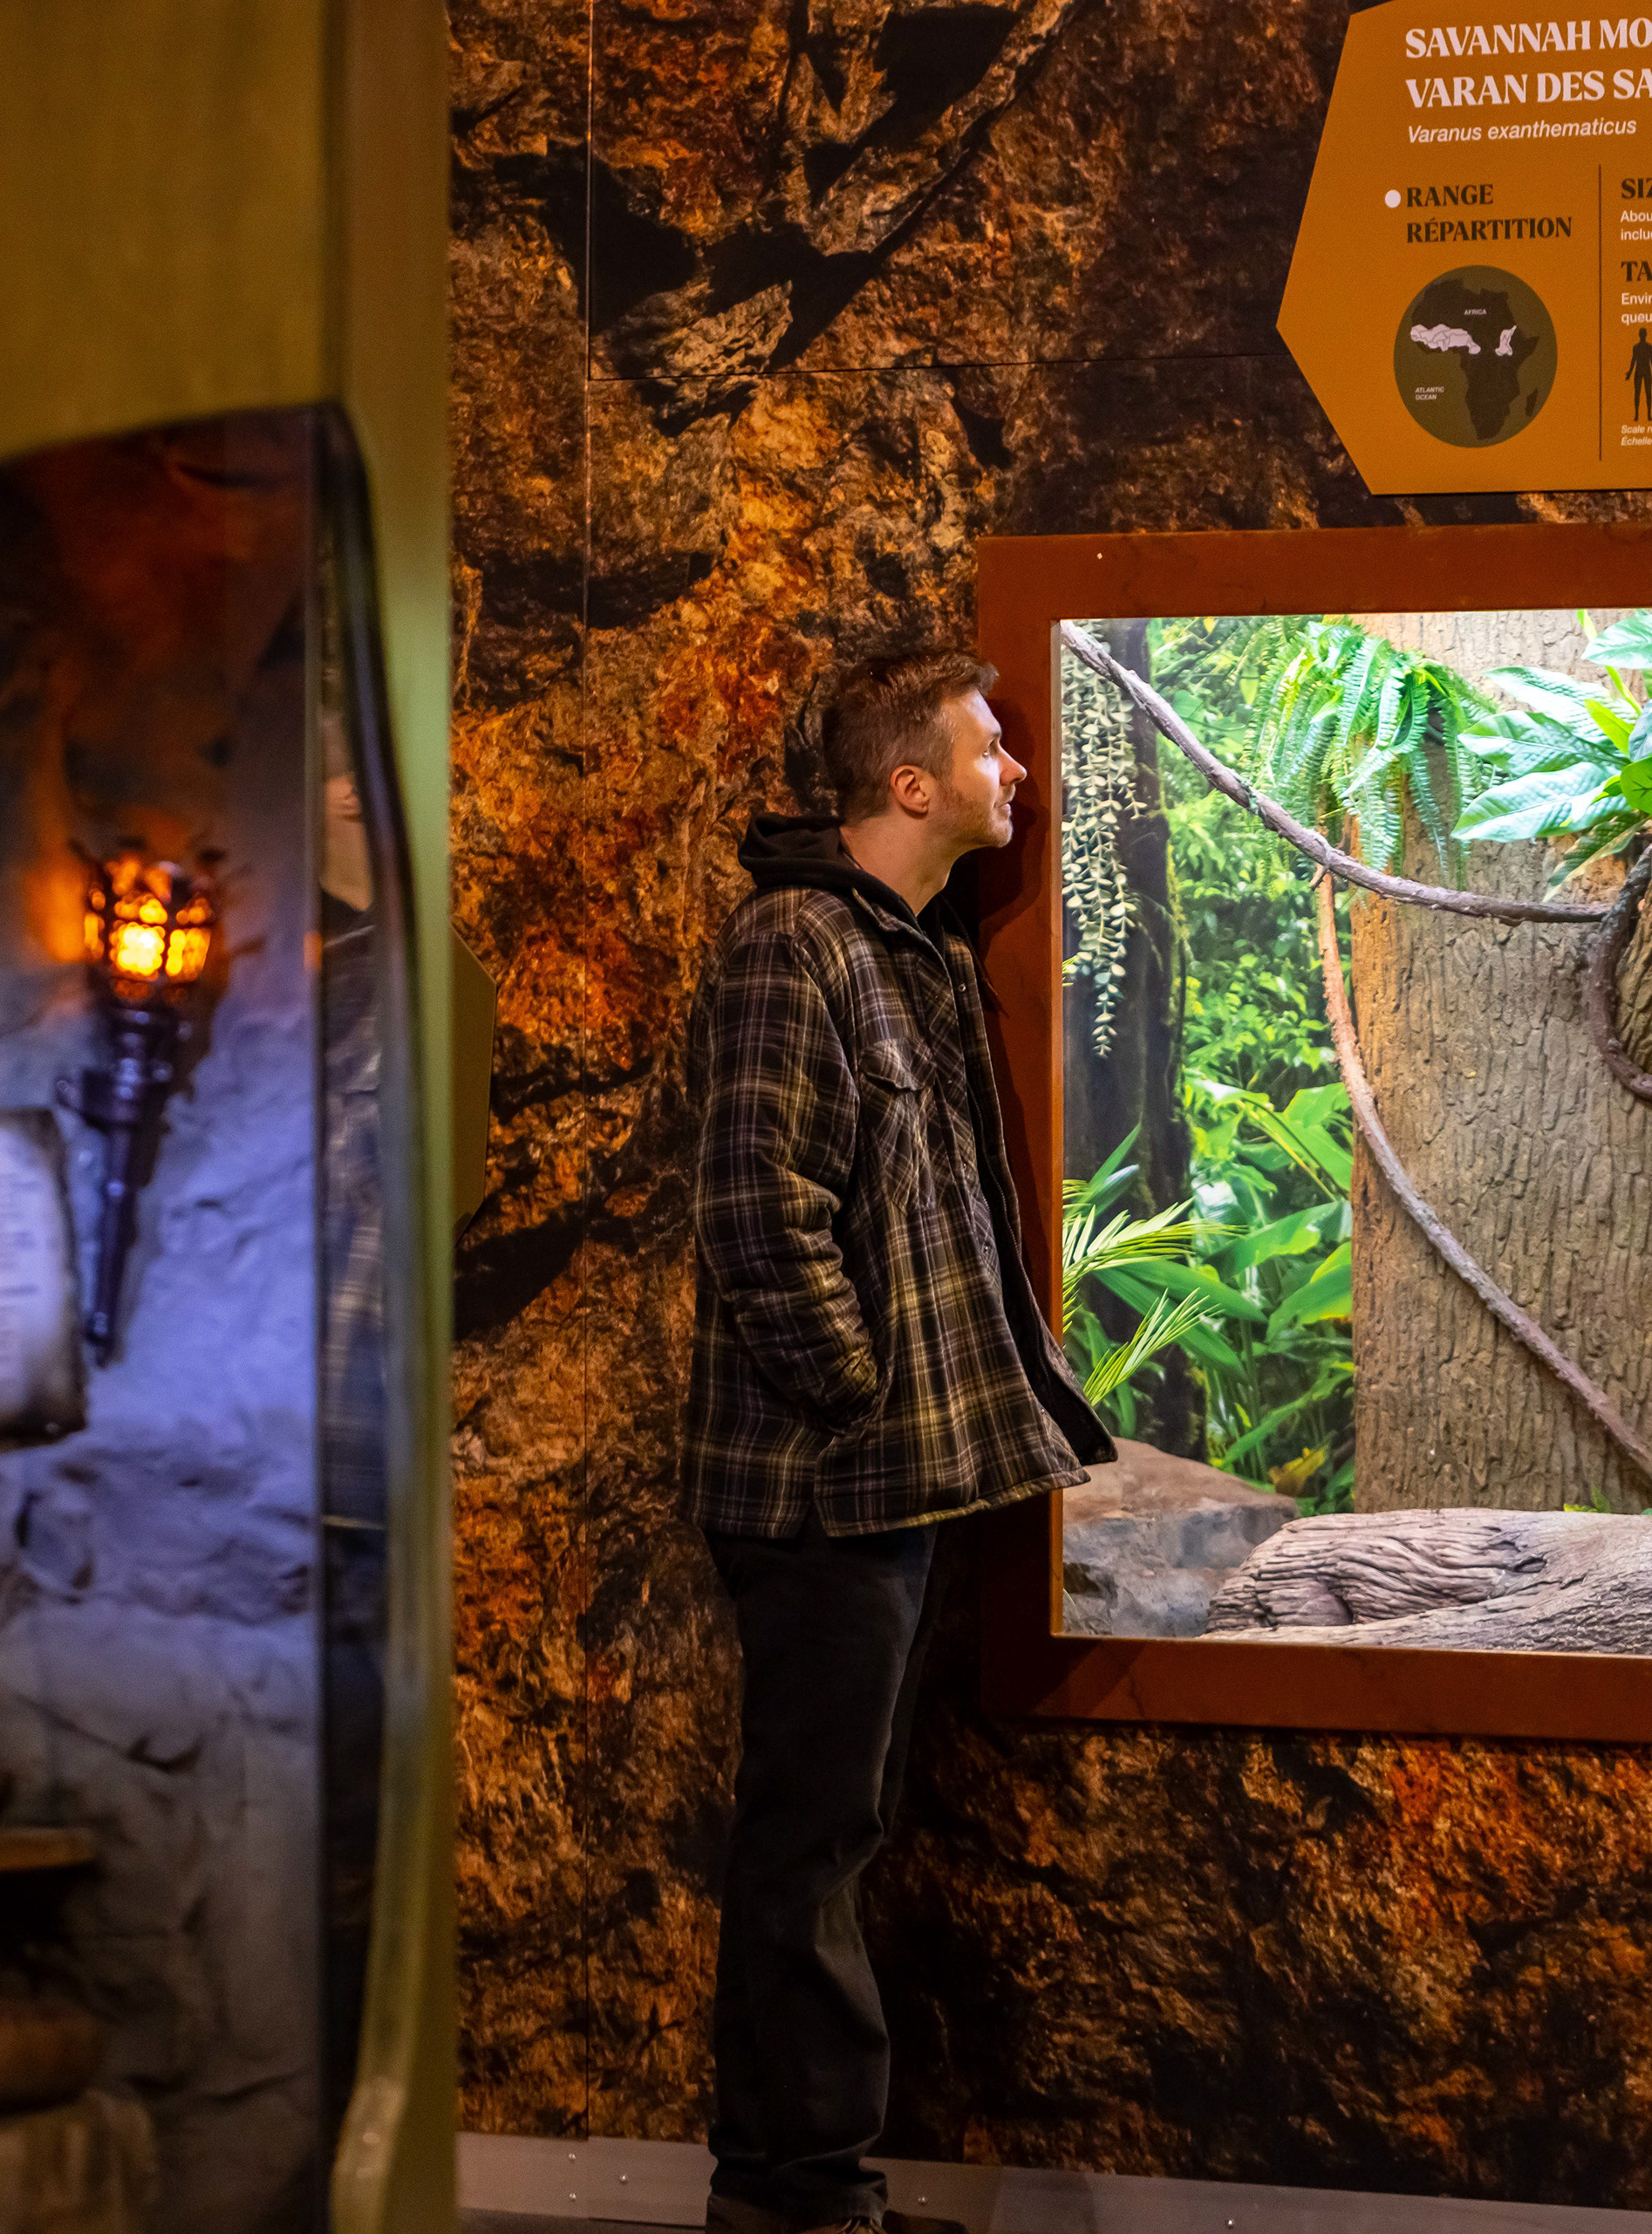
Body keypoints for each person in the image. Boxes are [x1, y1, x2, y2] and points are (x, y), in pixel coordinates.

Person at [683, 646, 1115, 2234]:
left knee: (832, 1833)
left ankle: (805, 2189)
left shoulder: (900, 949)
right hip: (822, 1490)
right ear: (912, 783)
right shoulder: (796, 945)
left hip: (882, 1485)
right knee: (809, 1845)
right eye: (992, 748)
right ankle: (801, 2202)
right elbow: (757, 1205)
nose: (1020, 772)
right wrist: (858, 1395)